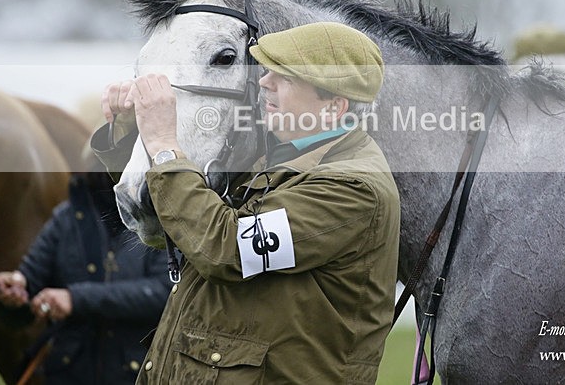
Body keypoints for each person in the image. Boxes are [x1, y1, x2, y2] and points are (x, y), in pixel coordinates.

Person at [97, 21, 400, 384]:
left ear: (334, 106)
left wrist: (164, 144)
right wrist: (131, 132)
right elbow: (178, 220)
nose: (264, 82)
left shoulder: (351, 188)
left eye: (285, 77)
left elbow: (225, 249)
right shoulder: (279, 157)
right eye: (268, 70)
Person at [0, 156, 171, 385]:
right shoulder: (65, 218)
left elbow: (163, 293)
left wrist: (75, 299)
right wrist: (14, 292)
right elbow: (27, 290)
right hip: (68, 375)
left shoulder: (161, 221)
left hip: (139, 376)